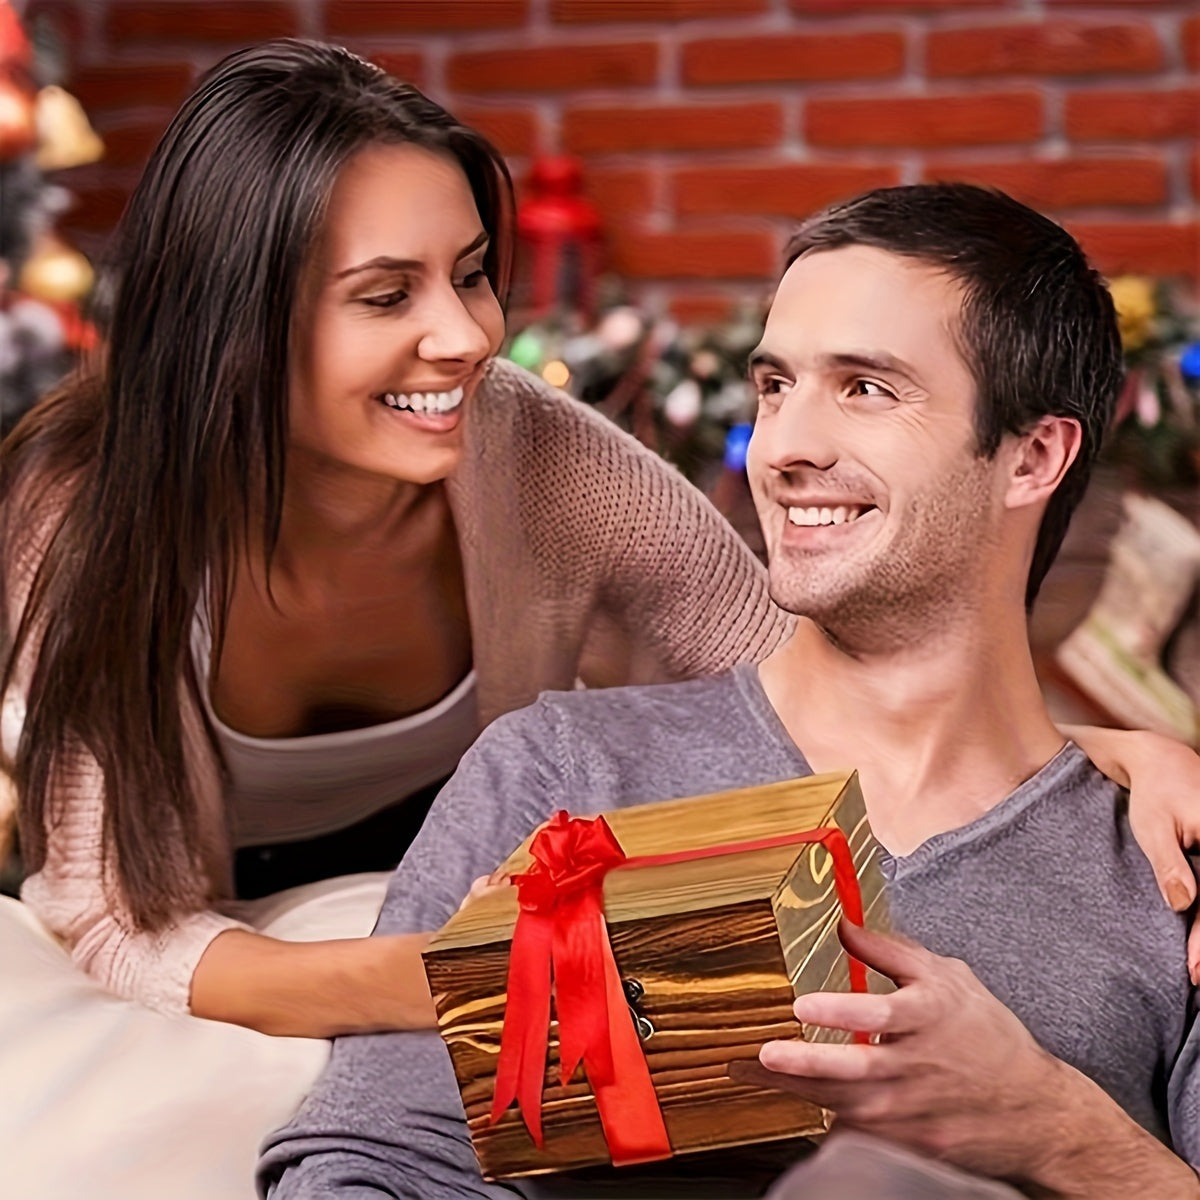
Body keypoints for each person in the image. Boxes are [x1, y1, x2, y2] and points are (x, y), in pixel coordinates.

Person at [259, 184, 1200, 1199]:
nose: (784, 448)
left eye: (866, 389)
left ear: (1033, 456)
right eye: (774, 385)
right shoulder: (568, 770)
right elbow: (375, 1165)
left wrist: (1058, 1133)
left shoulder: (1165, 861)